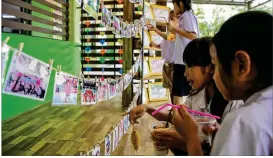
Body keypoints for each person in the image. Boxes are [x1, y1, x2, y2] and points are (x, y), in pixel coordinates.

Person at [172, 11, 272, 156]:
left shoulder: (243, 122)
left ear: (242, 66)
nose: (214, 73)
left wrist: (191, 139)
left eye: (215, 65)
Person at [126, 37, 243, 155]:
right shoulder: (197, 96)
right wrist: (147, 108)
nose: (185, 73)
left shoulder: (234, 105)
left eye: (189, 66)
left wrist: (186, 142)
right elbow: (177, 118)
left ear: (210, 67)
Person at [168, 0, 199, 105]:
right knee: (179, 93)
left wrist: (174, 28)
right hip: (181, 61)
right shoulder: (185, 16)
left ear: (180, 3)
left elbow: (193, 36)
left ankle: (177, 119)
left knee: (177, 94)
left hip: (183, 61)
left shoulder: (187, 16)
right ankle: (179, 117)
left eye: (174, 5)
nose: (174, 9)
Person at [149, 10, 177, 104]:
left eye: (172, 19)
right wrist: (154, 45)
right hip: (167, 65)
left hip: (174, 66)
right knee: (170, 89)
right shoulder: (170, 35)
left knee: (175, 90)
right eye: (169, 19)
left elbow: (168, 38)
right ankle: (173, 107)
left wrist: (155, 30)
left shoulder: (176, 35)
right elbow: (162, 45)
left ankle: (175, 109)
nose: (169, 22)